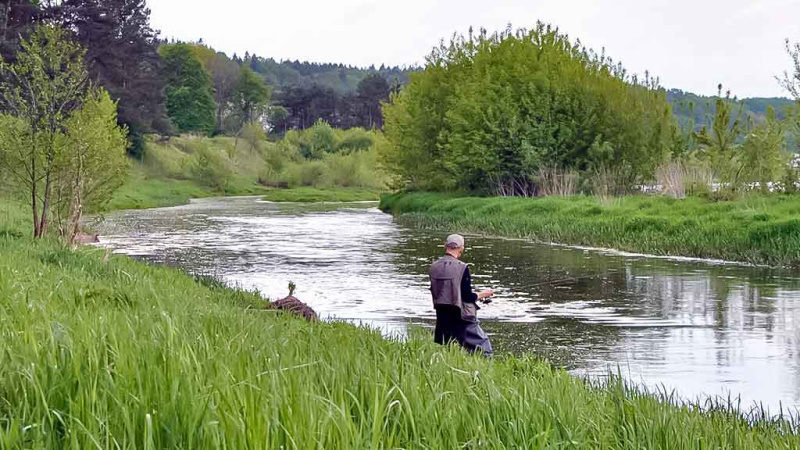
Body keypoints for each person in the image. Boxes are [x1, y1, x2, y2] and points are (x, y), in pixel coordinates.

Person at [429, 234, 494, 355]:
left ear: (445, 246)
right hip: (461, 317)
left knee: (449, 349)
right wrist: (482, 294)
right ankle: (487, 368)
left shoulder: (434, 266)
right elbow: (467, 296)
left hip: (442, 315)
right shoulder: (462, 267)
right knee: (484, 348)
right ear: (461, 248)